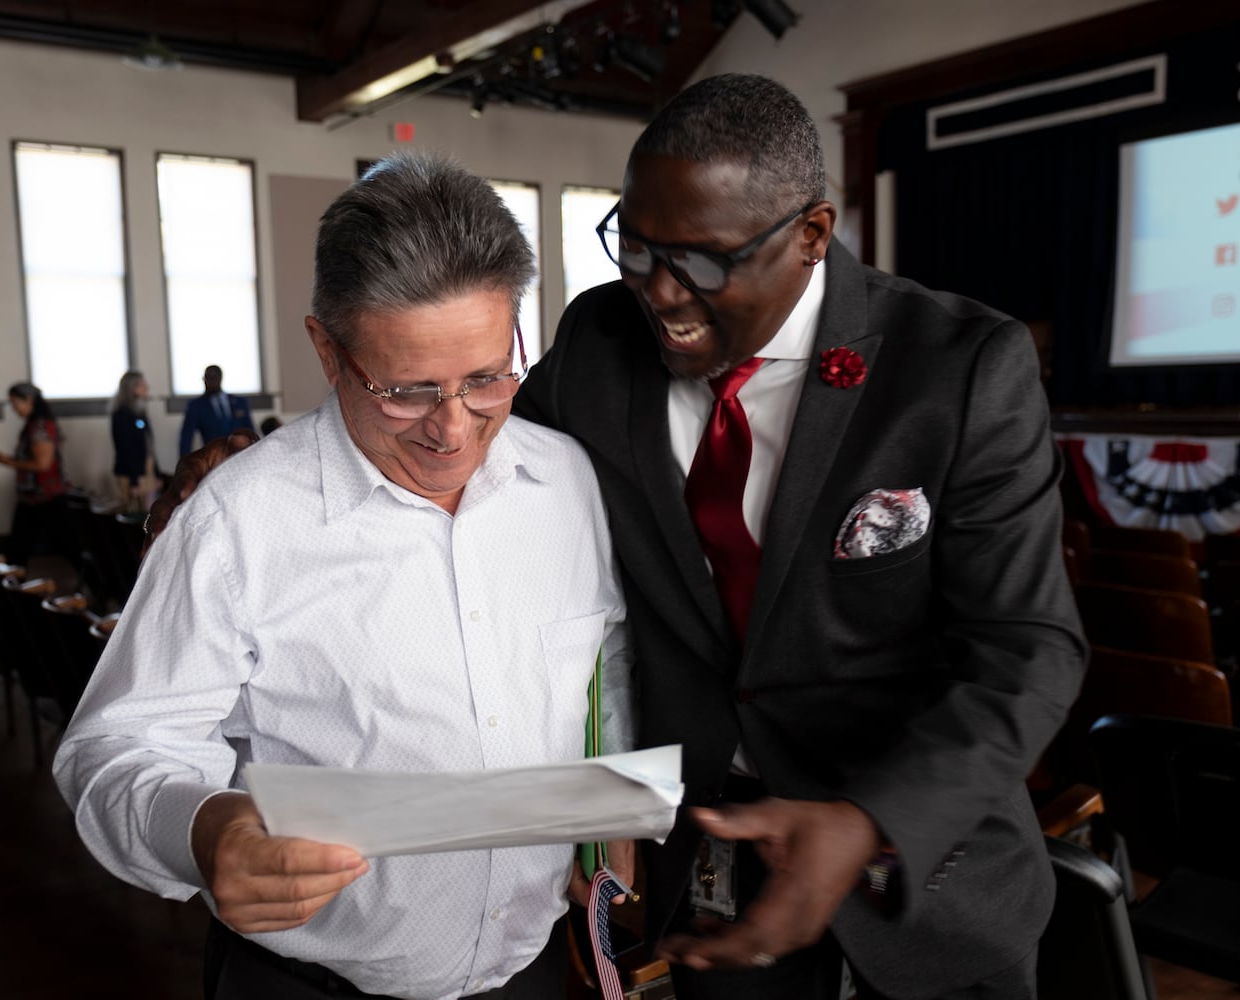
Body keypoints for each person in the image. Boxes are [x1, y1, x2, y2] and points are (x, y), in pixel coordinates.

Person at [149, 75, 1085, 1000]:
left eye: (703, 261)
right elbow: (452, 417)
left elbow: (1030, 651)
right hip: (716, 866)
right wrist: (243, 477)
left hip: (927, 870)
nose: (662, 294)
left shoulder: (957, 368)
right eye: (635, 248)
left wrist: (870, 817)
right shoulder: (604, 339)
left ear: (810, 236)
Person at [54, 152, 634, 1000]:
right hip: (309, 983)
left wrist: (607, 813)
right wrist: (208, 829)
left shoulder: (567, 483)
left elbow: (601, 669)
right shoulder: (236, 521)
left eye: (486, 378)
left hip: (538, 968)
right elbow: (114, 748)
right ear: (327, 350)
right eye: (405, 390)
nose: (453, 430)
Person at [0, 381, 69, 567]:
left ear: (29, 400)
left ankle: (103, 586)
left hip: (45, 496)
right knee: (18, 548)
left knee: (66, 546)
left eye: (15, 402)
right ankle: (14, 587)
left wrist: (5, 461)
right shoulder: (33, 425)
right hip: (32, 497)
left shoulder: (40, 426)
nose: (14, 408)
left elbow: (42, 464)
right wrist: (2, 458)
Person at [178, 364, 254, 463]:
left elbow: (251, 431)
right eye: (206, 378)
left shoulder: (239, 402)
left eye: (212, 378)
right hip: (213, 459)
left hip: (241, 457)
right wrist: (186, 465)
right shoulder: (196, 405)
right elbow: (186, 438)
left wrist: (254, 455)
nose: (208, 382)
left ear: (220, 378)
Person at [110, 370, 157, 510]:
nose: (147, 387)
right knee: (133, 512)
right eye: (143, 384)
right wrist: (134, 481)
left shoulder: (140, 412)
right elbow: (126, 449)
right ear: (132, 388)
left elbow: (148, 445)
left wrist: (156, 472)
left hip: (146, 470)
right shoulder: (122, 415)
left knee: (150, 514)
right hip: (131, 474)